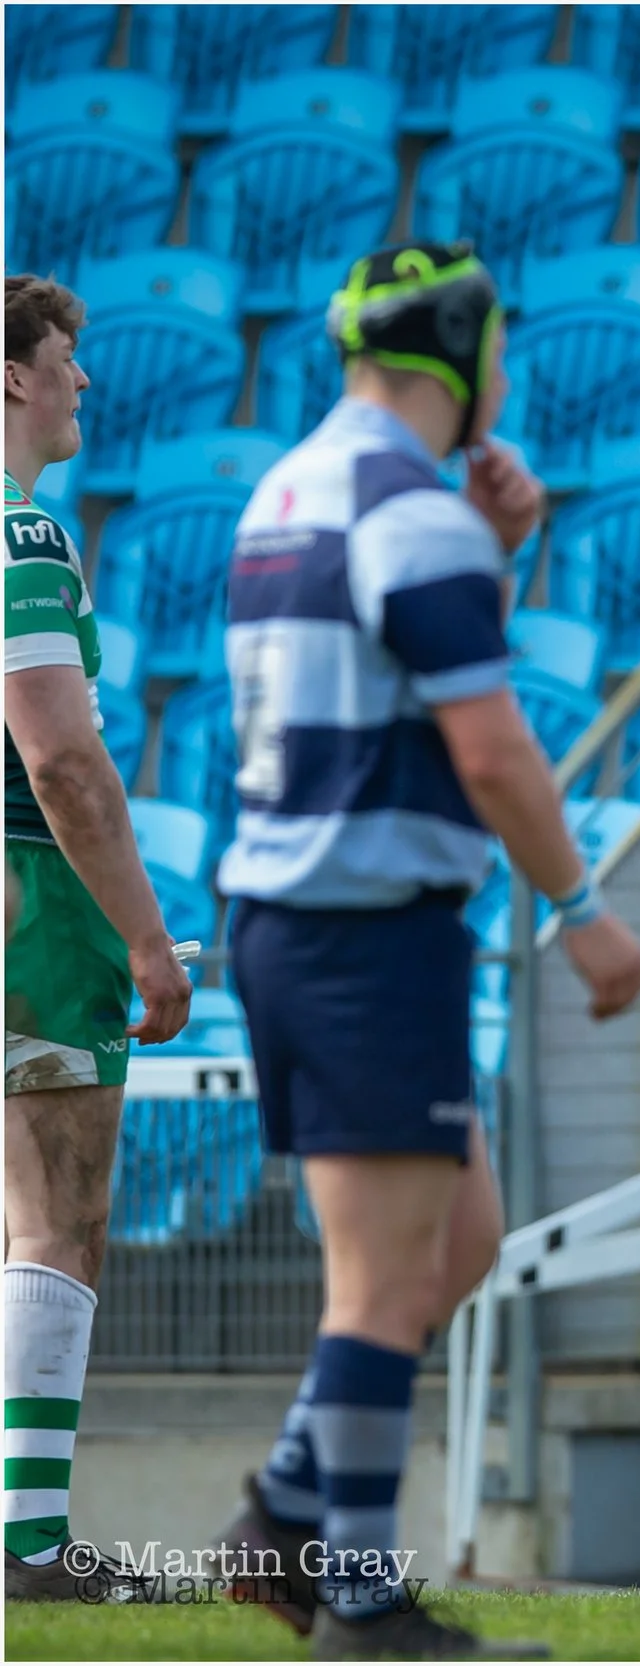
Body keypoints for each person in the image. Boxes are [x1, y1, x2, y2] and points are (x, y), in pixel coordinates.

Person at [205, 242, 640, 1660]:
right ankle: (360, 1605)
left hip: (304, 922)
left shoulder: (286, 488)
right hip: (362, 933)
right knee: (384, 1285)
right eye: (497, 353)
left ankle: (278, 1517)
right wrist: (584, 915)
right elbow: (493, 750)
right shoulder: (414, 515)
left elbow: (395, 680)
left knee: (462, 1239)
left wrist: (495, 555)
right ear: (457, 354)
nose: (505, 380)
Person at [2, 274, 194, 1602]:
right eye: (69, 359)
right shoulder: (24, 539)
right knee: (58, 1215)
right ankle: (30, 1546)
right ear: (15, 375)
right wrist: (147, 935)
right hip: (30, 897)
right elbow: (64, 759)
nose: (86, 381)